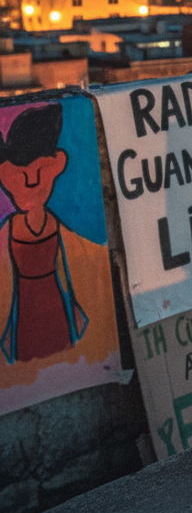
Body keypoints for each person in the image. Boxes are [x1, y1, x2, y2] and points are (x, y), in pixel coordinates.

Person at [0, 104, 88, 364]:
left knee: (61, 353)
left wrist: (75, 307)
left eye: (39, 173)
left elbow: (65, 266)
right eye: (21, 176)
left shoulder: (55, 224)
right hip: (24, 305)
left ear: (57, 165)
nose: (30, 183)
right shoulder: (10, 228)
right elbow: (6, 281)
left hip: (54, 303)